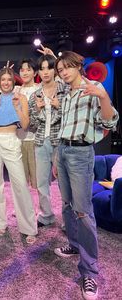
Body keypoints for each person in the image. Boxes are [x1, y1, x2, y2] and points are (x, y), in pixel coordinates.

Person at [53, 51, 119, 300]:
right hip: (63, 150)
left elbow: (110, 122)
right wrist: (56, 158)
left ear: (79, 66)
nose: (64, 72)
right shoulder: (68, 94)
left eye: (68, 67)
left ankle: (89, 271)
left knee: (83, 211)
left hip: (82, 153)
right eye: (61, 70)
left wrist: (103, 97)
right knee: (68, 206)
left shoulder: (94, 87)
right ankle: (74, 244)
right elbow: (64, 127)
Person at [0, 67, 37, 244]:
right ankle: (0, 223)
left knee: (20, 183)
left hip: (12, 140)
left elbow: (25, 124)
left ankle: (28, 227)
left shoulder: (20, 97)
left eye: (9, 79)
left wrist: (17, 106)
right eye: (3, 79)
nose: (6, 82)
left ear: (13, 81)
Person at [29, 54, 68, 226]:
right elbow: (31, 124)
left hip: (60, 141)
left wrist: (58, 106)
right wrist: (37, 112)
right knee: (42, 182)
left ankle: (68, 220)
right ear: (38, 71)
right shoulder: (35, 95)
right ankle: (46, 215)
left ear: (54, 70)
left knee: (64, 181)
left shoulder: (64, 89)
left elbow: (69, 116)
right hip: (40, 142)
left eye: (49, 68)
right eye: (42, 68)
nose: (45, 72)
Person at [17, 58, 39, 189]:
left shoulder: (40, 89)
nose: (25, 73)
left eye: (28, 70)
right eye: (22, 70)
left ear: (35, 73)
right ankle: (25, 209)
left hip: (36, 140)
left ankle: (40, 209)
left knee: (38, 181)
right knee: (22, 182)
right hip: (19, 139)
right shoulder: (16, 90)